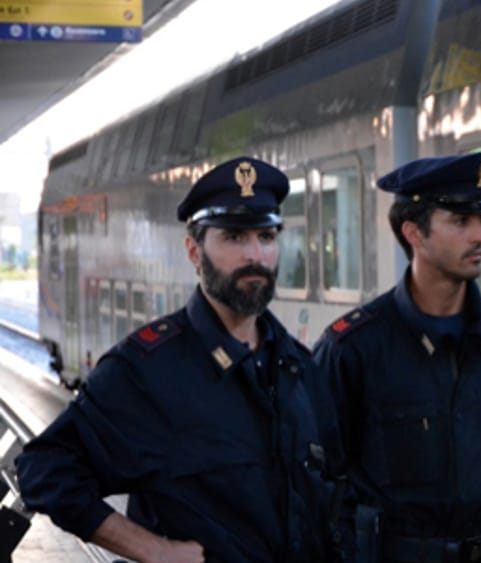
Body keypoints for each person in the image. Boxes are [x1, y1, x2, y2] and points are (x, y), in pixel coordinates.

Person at [16, 157, 342, 563]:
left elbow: (334, 493)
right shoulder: (148, 371)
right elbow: (44, 468)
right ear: (194, 251)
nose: (255, 255)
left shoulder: (299, 368)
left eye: (266, 236)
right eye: (234, 237)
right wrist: (151, 548)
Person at [312, 152, 481, 563]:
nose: (480, 236)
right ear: (414, 234)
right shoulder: (354, 349)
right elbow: (320, 481)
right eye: (460, 221)